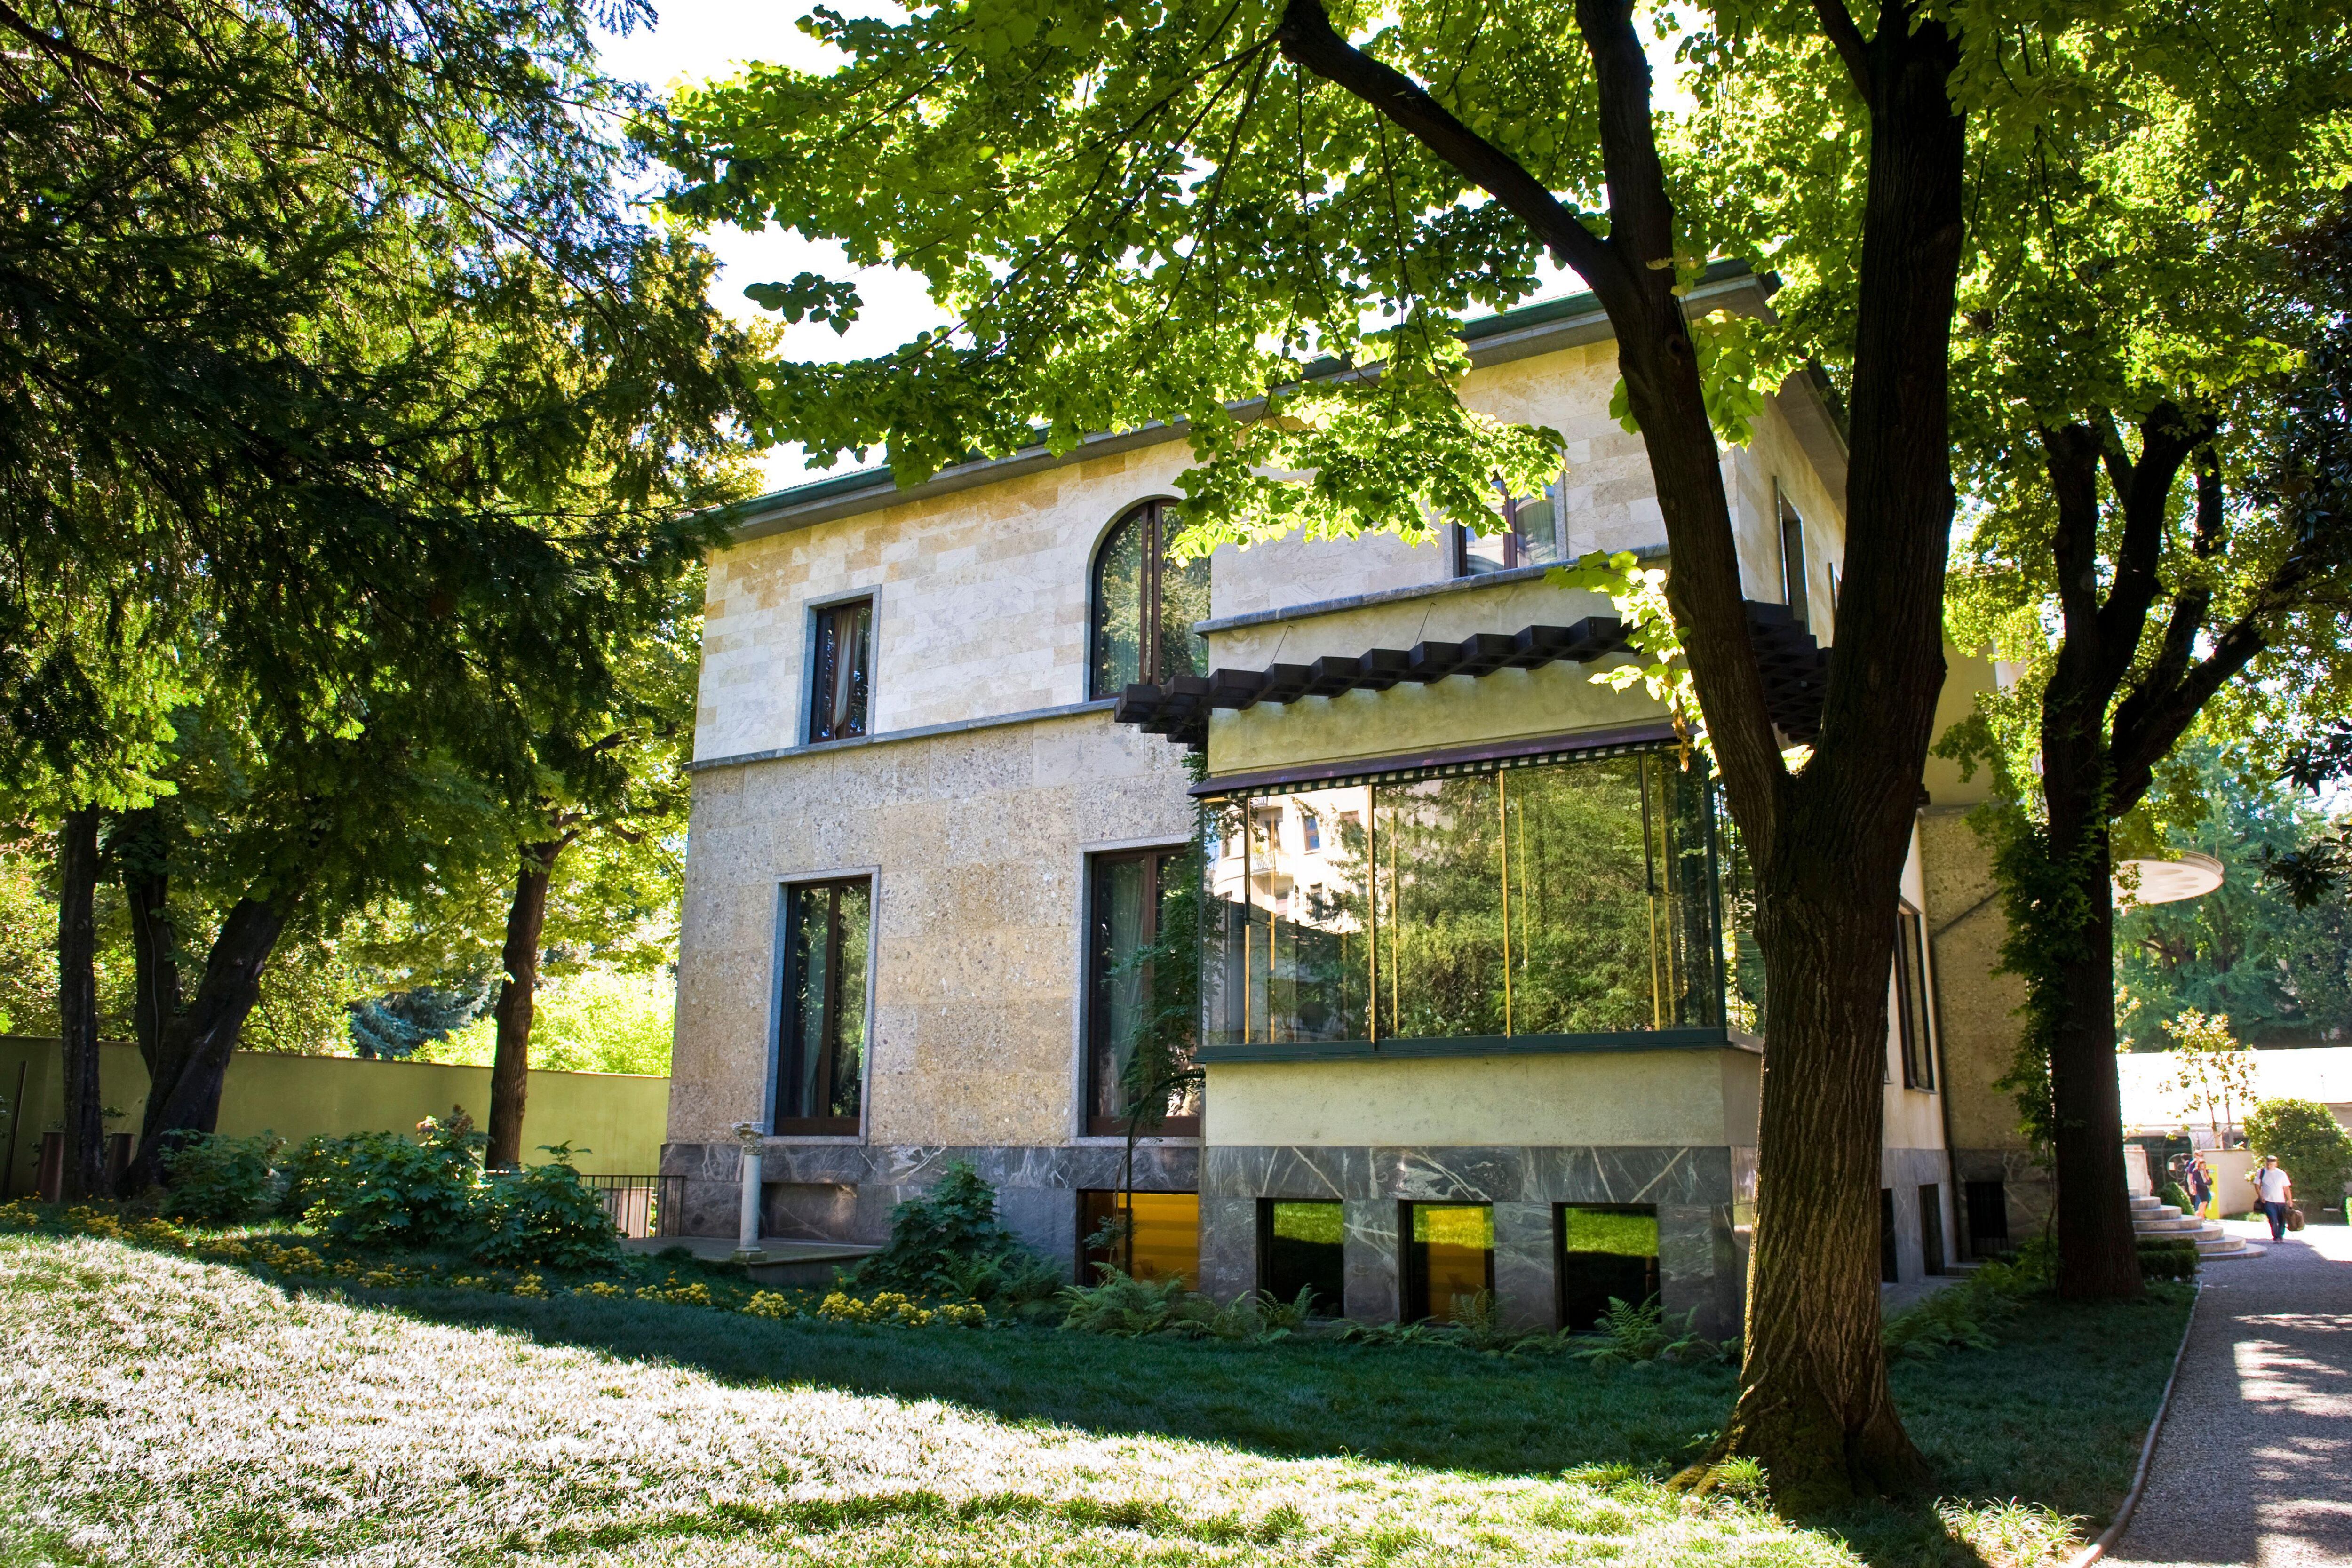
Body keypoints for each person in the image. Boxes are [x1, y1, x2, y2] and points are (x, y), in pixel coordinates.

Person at [2254, 1155, 2295, 1241]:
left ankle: (2280, 1235)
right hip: (2268, 1201)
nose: (2269, 1166)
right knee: (2273, 1219)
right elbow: (2257, 1185)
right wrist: (2261, 1197)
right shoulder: (2262, 1172)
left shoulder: (2281, 1174)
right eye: (2268, 1164)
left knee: (2281, 1220)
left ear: (2276, 1164)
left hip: (2281, 1201)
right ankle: (2276, 1236)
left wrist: (2290, 1200)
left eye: (2271, 1164)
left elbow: (2287, 1188)